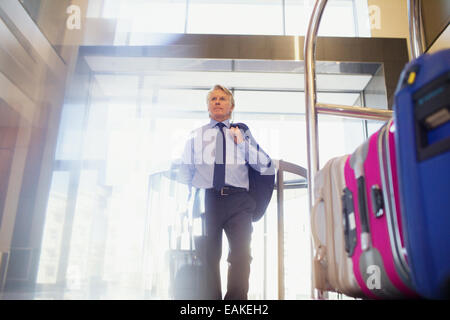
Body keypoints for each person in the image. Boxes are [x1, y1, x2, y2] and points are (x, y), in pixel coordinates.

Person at [174, 84, 273, 300]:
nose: (217, 101)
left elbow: (265, 165)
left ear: (231, 106)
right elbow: (185, 173)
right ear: (208, 107)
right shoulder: (195, 135)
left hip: (239, 201)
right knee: (207, 257)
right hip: (206, 202)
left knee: (241, 255)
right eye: (213, 99)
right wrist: (188, 200)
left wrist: (242, 143)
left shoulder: (243, 132)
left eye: (222, 98)